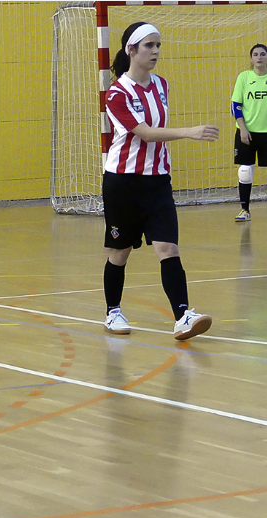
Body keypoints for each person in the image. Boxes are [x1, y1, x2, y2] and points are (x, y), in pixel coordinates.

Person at [102, 22, 218, 341]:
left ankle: (183, 315)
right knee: (120, 251)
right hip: (123, 183)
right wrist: (188, 131)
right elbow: (144, 133)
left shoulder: (162, 85)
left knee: (168, 247)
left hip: (157, 182)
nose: (155, 51)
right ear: (131, 50)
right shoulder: (116, 93)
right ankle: (113, 311)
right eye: (149, 46)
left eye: (158, 46)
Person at [231, 43, 267, 221]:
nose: (259, 57)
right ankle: (245, 210)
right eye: (255, 54)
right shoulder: (244, 77)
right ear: (251, 58)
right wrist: (243, 129)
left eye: (262, 54)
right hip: (247, 132)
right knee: (245, 171)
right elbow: (235, 105)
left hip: (266, 132)